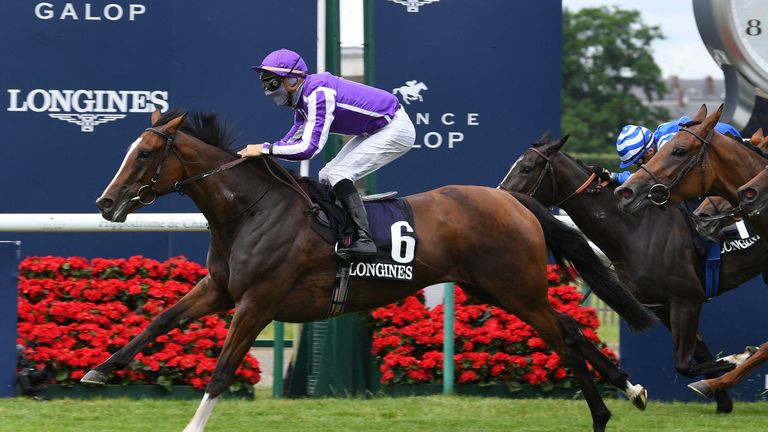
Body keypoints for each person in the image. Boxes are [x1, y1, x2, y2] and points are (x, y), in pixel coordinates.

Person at [238, 48, 416, 259]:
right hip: (376, 129)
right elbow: (289, 140)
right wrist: (261, 152)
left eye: (273, 82)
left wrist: (266, 149)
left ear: (293, 80)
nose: (268, 89)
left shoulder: (318, 94)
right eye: (265, 82)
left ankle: (365, 240)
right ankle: (344, 233)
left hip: (395, 128)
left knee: (338, 174)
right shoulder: (303, 102)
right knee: (325, 175)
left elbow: (308, 149)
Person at [592, 116, 742, 184]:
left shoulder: (665, 144)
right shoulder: (659, 136)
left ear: (650, 151)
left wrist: (616, 177)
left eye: (638, 162)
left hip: (732, 147)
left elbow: (649, 180)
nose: (638, 167)